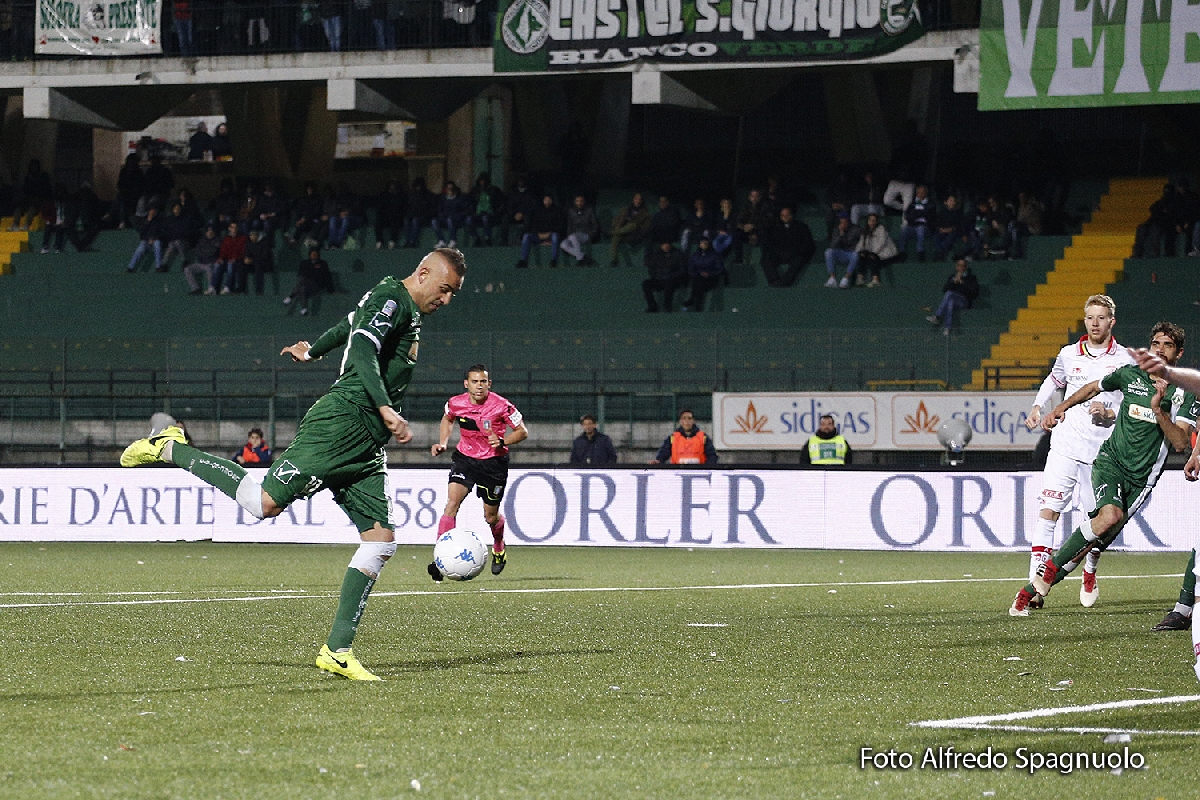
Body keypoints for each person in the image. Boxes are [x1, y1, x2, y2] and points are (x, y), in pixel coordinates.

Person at [119, 247, 467, 681]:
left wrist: (314, 350)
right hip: (343, 422)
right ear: (424, 273)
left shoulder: (403, 308)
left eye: (453, 294)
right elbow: (362, 344)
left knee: (380, 541)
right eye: (445, 289)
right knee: (262, 503)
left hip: (366, 442)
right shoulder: (391, 298)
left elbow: (350, 324)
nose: (446, 299)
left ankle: (337, 651)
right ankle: (171, 447)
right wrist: (384, 406)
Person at [1012, 323, 1197, 617]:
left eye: (1168, 345)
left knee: (1097, 538)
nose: (1160, 350)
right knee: (1108, 517)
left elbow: (1180, 442)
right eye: (1156, 343)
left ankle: (1042, 583)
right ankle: (1033, 590)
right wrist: (1062, 408)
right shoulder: (1130, 374)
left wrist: (1158, 410)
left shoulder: (1185, 393)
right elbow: (1092, 388)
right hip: (1110, 461)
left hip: (1142, 479)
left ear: (1179, 353)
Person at [1021, 295, 1133, 608]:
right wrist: (1037, 406)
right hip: (1065, 445)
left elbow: (1131, 404)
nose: (1095, 323)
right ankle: (1035, 587)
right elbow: (1053, 380)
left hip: (1102, 454)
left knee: (1097, 522)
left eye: (1101, 317)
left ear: (1112, 322)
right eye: (1090, 317)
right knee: (1049, 511)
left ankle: (1090, 570)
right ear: (1084, 320)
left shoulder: (1126, 359)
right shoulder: (1069, 354)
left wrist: (1109, 414)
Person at [430, 364, 529, 580]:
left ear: (489, 384)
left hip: (493, 464)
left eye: (483, 381)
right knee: (451, 504)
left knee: (490, 517)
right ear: (466, 384)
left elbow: (522, 431)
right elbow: (448, 418)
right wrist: (443, 442)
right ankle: (439, 559)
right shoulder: (455, 403)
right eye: (474, 381)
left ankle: (498, 545)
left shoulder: (502, 406)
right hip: (465, 459)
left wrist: (503, 441)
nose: (479, 386)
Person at [761, 206, 814, 289]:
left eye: (787, 215)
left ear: (792, 215)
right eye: (782, 215)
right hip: (780, 254)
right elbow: (770, 244)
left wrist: (798, 251)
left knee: (798, 261)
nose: (785, 217)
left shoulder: (801, 227)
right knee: (766, 259)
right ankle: (774, 281)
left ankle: (783, 282)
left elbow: (808, 244)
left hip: (796, 254)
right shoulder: (775, 228)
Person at [925, 259, 979, 335]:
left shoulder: (971, 277)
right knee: (950, 302)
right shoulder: (952, 277)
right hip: (954, 300)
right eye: (959, 265)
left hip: (964, 302)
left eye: (962, 266)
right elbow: (944, 289)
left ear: (965, 267)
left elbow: (974, 292)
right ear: (956, 267)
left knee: (949, 293)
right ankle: (947, 328)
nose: (960, 267)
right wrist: (954, 282)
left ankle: (937, 316)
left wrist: (962, 282)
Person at [650, 409, 718, 465]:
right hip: (677, 473)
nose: (687, 421)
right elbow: (663, 453)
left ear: (693, 421)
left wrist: (706, 468)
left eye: (689, 418)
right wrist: (658, 461)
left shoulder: (703, 437)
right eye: (684, 418)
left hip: (698, 473)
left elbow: (712, 456)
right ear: (680, 421)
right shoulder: (673, 438)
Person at [516, 193, 566, 268]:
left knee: (555, 236)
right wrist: (538, 233)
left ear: (552, 201)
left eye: (549, 200)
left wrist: (549, 233)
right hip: (539, 235)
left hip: (550, 235)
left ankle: (554, 261)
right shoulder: (538, 211)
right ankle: (523, 261)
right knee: (526, 236)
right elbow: (533, 224)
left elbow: (560, 225)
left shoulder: (557, 211)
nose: (547, 201)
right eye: (545, 200)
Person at [284, 247, 336, 314]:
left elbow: (327, 277)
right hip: (305, 285)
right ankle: (304, 308)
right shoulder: (304, 263)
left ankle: (291, 297)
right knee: (302, 287)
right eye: (313, 254)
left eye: (315, 254)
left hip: (316, 286)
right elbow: (301, 274)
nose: (314, 256)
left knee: (302, 282)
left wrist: (331, 290)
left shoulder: (323, 264)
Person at [642, 240, 688, 313]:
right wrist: (658, 276)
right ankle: (652, 306)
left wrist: (671, 276)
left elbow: (682, 269)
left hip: (673, 280)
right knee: (646, 284)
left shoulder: (677, 254)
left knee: (669, 283)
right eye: (664, 244)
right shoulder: (656, 255)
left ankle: (667, 305)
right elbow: (651, 269)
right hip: (659, 279)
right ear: (661, 245)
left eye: (667, 244)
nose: (666, 246)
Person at [855, 213, 898, 288]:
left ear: (876, 221)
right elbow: (861, 243)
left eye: (873, 220)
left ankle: (876, 280)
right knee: (862, 257)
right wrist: (858, 252)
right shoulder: (865, 230)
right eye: (870, 220)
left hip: (887, 255)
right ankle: (860, 279)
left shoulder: (881, 229)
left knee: (872, 258)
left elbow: (881, 243)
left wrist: (873, 253)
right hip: (875, 254)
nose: (871, 222)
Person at [683, 236, 726, 311]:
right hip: (698, 278)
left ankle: (694, 300)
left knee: (699, 283)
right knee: (698, 282)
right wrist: (699, 273)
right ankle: (697, 303)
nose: (704, 245)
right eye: (702, 243)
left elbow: (720, 269)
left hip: (711, 279)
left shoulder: (715, 255)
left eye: (705, 243)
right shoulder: (695, 256)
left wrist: (709, 274)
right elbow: (691, 269)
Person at [608, 193, 651, 267]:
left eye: (639, 199)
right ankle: (614, 260)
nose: (637, 201)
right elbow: (616, 220)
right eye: (636, 199)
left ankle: (611, 233)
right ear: (633, 200)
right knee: (615, 237)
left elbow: (646, 227)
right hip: (623, 232)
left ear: (642, 201)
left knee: (632, 225)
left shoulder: (645, 213)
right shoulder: (626, 210)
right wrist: (619, 224)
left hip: (634, 233)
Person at [823, 213, 860, 289]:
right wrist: (840, 235)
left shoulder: (855, 229)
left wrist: (843, 235)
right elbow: (833, 245)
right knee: (828, 252)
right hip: (840, 253)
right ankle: (832, 278)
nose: (843, 224)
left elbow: (849, 243)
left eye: (845, 222)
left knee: (855, 255)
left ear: (848, 222)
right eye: (841, 222)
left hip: (851, 253)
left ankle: (846, 279)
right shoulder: (837, 230)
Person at [560, 193, 598, 265]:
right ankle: (583, 256)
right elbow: (569, 225)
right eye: (577, 201)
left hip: (586, 234)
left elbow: (594, 224)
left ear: (584, 202)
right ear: (575, 202)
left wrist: (591, 234)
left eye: (581, 201)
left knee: (573, 236)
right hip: (573, 236)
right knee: (563, 244)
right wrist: (569, 236)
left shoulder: (589, 211)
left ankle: (580, 260)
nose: (579, 203)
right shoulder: (571, 211)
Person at [184, 224, 223, 295]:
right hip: (202, 263)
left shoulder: (218, 240)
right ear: (206, 232)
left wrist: (205, 252)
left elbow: (213, 252)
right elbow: (197, 251)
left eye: (211, 230)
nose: (210, 232)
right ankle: (196, 288)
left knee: (209, 268)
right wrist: (206, 252)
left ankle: (211, 289)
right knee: (187, 269)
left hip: (212, 263)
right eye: (208, 230)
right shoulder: (202, 240)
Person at [898, 184, 933, 261]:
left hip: (926, 228)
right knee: (904, 230)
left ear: (926, 193)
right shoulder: (913, 204)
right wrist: (919, 213)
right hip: (913, 226)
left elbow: (928, 215)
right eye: (919, 192)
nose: (921, 194)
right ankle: (901, 252)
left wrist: (916, 214)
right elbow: (908, 215)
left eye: (922, 192)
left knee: (920, 229)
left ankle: (921, 252)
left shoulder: (930, 204)